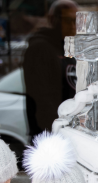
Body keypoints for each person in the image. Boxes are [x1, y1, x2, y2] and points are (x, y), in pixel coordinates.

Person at [23, 0, 78, 138]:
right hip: (51, 135)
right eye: (68, 20)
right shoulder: (40, 49)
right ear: (53, 20)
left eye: (76, 21)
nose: (73, 26)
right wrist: (57, 131)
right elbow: (42, 99)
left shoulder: (66, 49)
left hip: (70, 130)